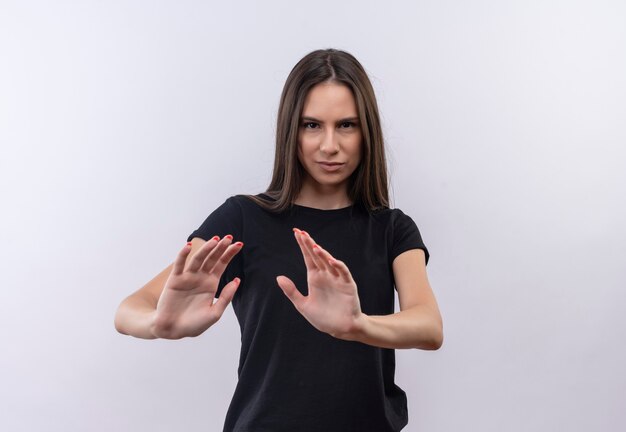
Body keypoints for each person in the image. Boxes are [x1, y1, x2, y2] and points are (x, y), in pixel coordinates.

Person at [114, 48, 443, 432]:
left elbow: (429, 326)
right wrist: (158, 324)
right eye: (312, 125)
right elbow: (128, 310)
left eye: (347, 125)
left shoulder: (392, 229)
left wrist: (357, 325)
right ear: (291, 129)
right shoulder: (243, 218)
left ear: (366, 129)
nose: (330, 145)